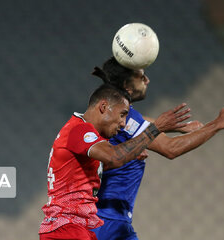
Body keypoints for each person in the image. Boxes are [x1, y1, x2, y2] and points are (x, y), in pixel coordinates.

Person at [91, 57, 224, 240]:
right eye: (141, 77)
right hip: (107, 222)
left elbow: (139, 122)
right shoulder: (128, 119)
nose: (147, 81)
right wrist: (218, 123)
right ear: (127, 87)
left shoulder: (111, 112)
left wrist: (176, 127)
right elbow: (171, 148)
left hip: (105, 219)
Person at [38, 83, 191, 240]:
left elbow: (111, 158)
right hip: (67, 228)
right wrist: (155, 128)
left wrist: (132, 152)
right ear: (103, 107)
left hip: (74, 227)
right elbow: (115, 156)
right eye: (122, 114)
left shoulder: (85, 135)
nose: (124, 123)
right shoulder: (79, 130)